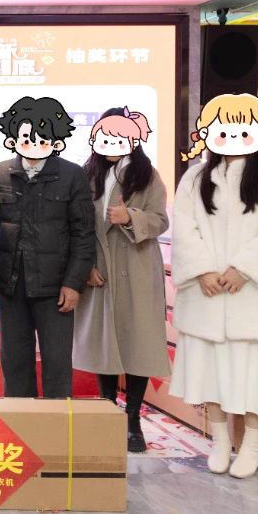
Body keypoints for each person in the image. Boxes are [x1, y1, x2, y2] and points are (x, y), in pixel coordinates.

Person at [170, 93, 258, 479]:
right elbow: (184, 227)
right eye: (222, 130)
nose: (232, 138)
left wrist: (244, 268)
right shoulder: (195, 177)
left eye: (243, 130)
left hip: (251, 295)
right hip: (207, 294)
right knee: (208, 372)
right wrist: (203, 270)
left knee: (256, 374)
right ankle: (221, 440)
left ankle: (253, 444)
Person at [0, 96, 94, 399]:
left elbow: (83, 234)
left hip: (55, 286)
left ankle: (56, 425)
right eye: (27, 136)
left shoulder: (72, 175)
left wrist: (73, 283)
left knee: (57, 363)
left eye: (43, 137)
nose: (33, 143)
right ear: (13, 136)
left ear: (56, 139)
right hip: (10, 284)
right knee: (14, 362)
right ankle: (20, 422)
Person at [73, 108, 170, 452]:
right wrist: (84, 266)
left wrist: (131, 216)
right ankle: (107, 410)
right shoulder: (87, 174)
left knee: (137, 343)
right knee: (104, 342)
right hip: (99, 269)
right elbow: (76, 224)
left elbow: (160, 221)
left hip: (137, 266)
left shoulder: (147, 175)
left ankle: (132, 421)